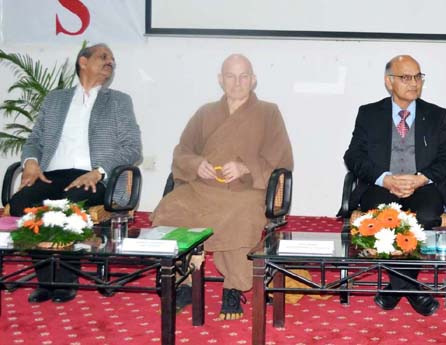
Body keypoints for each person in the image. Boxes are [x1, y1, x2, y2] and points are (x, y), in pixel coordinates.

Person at [150, 54, 293, 320]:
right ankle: (183, 281)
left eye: (243, 76)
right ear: (220, 79)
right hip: (202, 187)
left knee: (242, 215)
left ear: (253, 79)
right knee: (170, 209)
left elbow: (281, 159)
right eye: (230, 76)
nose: (237, 82)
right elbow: (182, 151)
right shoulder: (205, 112)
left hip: (246, 190)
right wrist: (196, 163)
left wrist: (245, 167)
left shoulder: (269, 112)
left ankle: (233, 287)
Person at [12, 43, 142, 304]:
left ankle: (66, 278)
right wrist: (31, 161)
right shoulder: (55, 99)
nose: (110, 62)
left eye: (112, 59)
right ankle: (46, 278)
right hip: (53, 174)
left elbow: (132, 148)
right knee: (21, 204)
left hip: (93, 177)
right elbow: (34, 139)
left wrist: (98, 171)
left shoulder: (118, 101)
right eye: (104, 57)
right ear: (83, 62)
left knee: (72, 204)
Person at [343, 55, 446, 316]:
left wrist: (422, 177)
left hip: (422, 186)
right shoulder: (369, 113)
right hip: (381, 187)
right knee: (384, 219)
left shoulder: (436, 115)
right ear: (389, 82)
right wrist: (384, 178)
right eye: (406, 77)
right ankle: (411, 288)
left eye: (418, 77)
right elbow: (353, 156)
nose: (414, 83)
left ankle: (395, 287)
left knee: (427, 215)